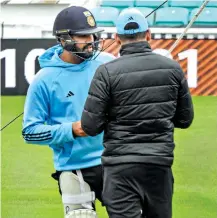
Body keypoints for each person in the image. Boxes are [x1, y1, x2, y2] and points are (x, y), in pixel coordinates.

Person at [81, 8, 194, 218]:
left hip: (120, 166)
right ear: (148, 35)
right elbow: (185, 119)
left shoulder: (106, 72)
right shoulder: (172, 68)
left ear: (116, 38)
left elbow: (90, 125)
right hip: (158, 164)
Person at [22, 5, 115, 218]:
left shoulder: (108, 64)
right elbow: (29, 132)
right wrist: (71, 130)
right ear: (64, 39)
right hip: (74, 168)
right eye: (83, 36)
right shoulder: (43, 80)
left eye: (92, 35)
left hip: (115, 161)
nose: (91, 41)